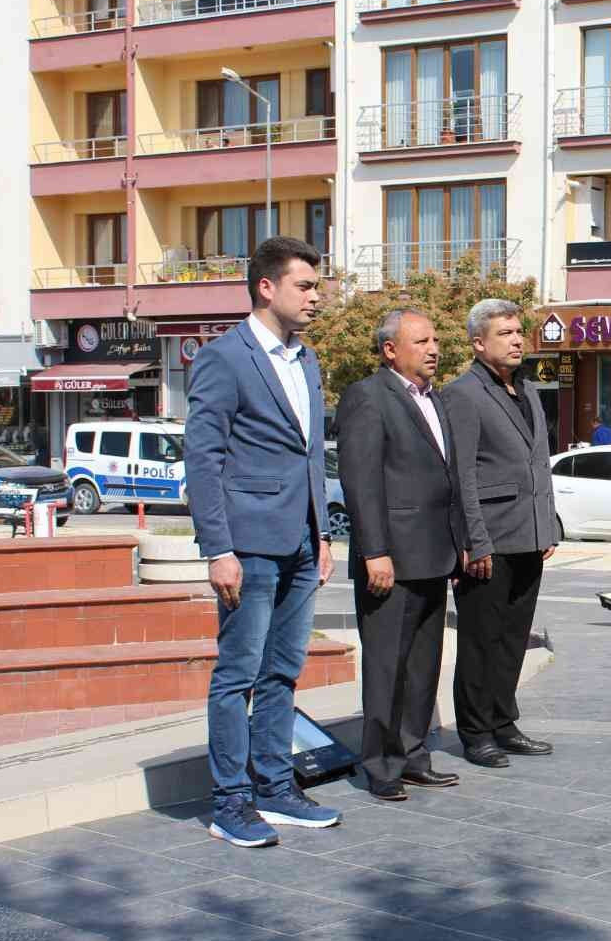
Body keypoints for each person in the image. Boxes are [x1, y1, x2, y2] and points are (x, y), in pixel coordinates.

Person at [184, 236, 341, 847]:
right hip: (247, 544)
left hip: (301, 540)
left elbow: (310, 454)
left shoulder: (307, 360)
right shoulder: (225, 358)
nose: (316, 297)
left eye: (317, 287)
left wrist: (321, 533)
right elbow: (203, 457)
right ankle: (230, 802)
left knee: (283, 672)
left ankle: (275, 788)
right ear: (266, 287)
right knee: (237, 675)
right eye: (305, 286)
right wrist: (217, 550)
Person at [335, 309, 465, 802]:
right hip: (390, 560)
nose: (434, 349)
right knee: (387, 666)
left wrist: (461, 543)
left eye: (436, 340)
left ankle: (413, 755)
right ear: (390, 350)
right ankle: (381, 765)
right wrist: (375, 551)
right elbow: (361, 480)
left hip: (435, 555)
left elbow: (447, 478)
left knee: (423, 666)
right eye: (422, 341)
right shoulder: (368, 396)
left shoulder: (435, 399)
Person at [441, 300, 558, 766]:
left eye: (517, 331)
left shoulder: (527, 389)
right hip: (488, 538)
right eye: (504, 333)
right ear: (478, 343)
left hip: (529, 534)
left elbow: (538, 462)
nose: (516, 340)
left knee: (513, 638)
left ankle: (503, 721)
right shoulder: (462, 394)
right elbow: (462, 475)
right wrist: (474, 540)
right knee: (480, 640)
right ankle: (475, 732)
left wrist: (547, 525)